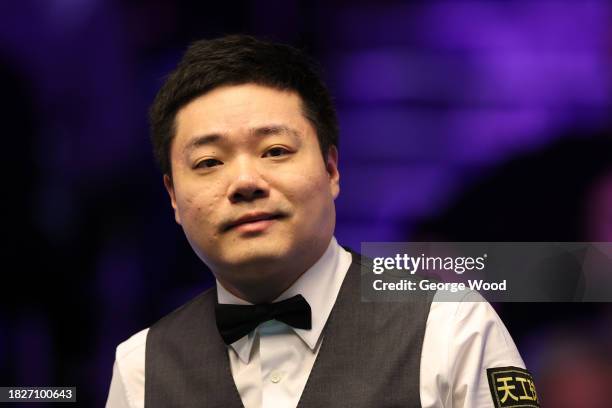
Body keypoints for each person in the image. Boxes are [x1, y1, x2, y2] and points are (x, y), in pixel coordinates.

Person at [105, 35, 534, 408]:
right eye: (209, 161)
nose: (245, 182)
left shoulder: (451, 324)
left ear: (332, 169)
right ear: (173, 198)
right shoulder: (141, 365)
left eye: (274, 150)